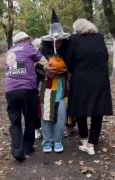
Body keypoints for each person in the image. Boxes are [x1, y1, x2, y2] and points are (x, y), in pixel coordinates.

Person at [64, 19, 113, 155]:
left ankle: (84, 138)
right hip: (100, 79)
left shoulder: (74, 39)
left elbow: (68, 61)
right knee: (98, 110)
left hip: (81, 79)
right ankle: (92, 143)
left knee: (81, 108)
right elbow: (106, 56)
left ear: (77, 29)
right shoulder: (100, 37)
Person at [5, 31, 45, 162]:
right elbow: (44, 61)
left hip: (10, 91)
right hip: (27, 89)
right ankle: (28, 148)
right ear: (23, 40)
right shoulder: (28, 48)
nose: (31, 42)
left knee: (15, 122)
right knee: (29, 119)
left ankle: (17, 152)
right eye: (29, 39)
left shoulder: (9, 52)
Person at [35, 9, 71, 153]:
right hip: (46, 89)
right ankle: (47, 141)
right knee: (46, 116)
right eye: (55, 40)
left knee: (60, 116)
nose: (58, 43)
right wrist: (44, 70)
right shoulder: (41, 53)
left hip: (61, 90)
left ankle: (58, 140)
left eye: (60, 40)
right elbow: (35, 65)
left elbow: (73, 67)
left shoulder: (68, 52)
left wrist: (66, 71)